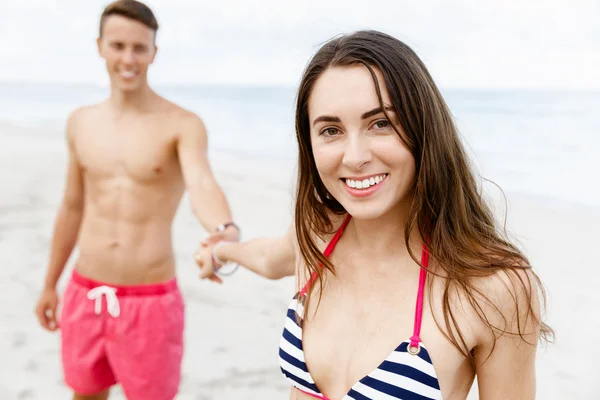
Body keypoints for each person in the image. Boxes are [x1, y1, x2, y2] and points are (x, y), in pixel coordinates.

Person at [197, 30, 553, 399]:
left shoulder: (493, 286)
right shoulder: (318, 234)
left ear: (424, 128)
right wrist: (220, 252)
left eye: (380, 123)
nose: (354, 157)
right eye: (331, 130)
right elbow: (269, 258)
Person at [33, 1, 239, 399]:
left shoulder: (182, 124)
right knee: (86, 394)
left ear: (154, 53)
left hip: (150, 301)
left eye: (139, 48)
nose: (128, 58)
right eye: (118, 45)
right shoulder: (80, 122)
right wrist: (49, 284)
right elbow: (72, 206)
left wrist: (223, 230)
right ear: (100, 47)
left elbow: (201, 183)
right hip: (85, 290)